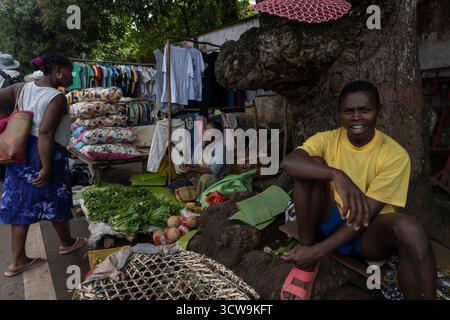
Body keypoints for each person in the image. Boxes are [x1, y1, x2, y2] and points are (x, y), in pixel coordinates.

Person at [280, 80, 437, 300]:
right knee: (311, 165)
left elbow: (364, 217)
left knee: (411, 228)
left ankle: (310, 254)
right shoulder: (328, 139)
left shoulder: (395, 155)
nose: (356, 117)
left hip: (367, 235)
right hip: (328, 221)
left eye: (365, 110)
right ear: (340, 113)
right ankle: (306, 265)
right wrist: (336, 174)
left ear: (378, 111)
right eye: (349, 111)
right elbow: (289, 163)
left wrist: (319, 251)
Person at [0, 52, 86, 277]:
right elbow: (46, 133)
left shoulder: (23, 88)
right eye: (69, 71)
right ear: (57, 71)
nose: (72, 75)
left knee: (20, 202)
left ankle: (18, 260)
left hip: (19, 150)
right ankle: (66, 242)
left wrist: (6, 123)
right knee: (56, 198)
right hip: (45, 153)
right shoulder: (56, 98)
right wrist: (46, 167)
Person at [180, 120, 230, 197]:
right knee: (189, 174)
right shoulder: (201, 145)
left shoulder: (221, 148)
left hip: (218, 178)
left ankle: (199, 201)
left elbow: (214, 170)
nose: (205, 132)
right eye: (206, 129)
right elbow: (194, 163)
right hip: (202, 172)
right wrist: (187, 165)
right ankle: (195, 193)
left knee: (205, 178)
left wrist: (192, 169)